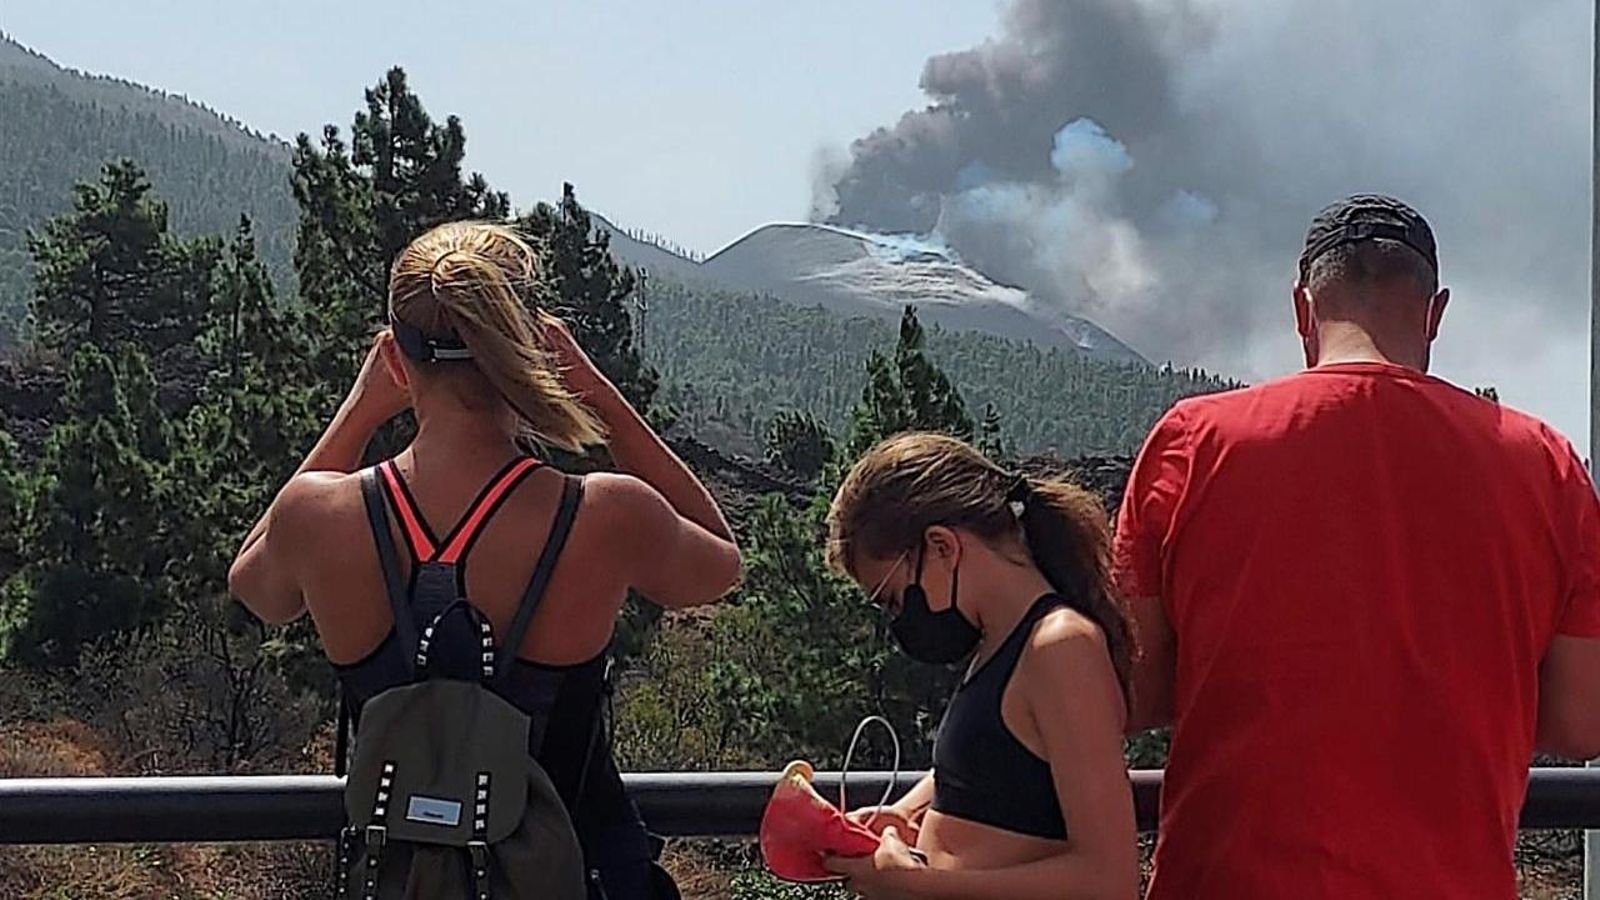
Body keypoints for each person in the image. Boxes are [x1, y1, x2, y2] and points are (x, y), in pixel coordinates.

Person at [228, 221, 742, 898]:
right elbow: (721, 563)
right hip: (574, 873)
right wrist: (597, 394)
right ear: (527, 346)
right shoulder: (603, 515)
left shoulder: (316, 515)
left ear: (395, 355)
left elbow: (254, 586)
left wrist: (359, 410)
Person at [1114, 194, 1600, 899]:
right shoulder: (1544, 463)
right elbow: (1581, 721)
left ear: (1302, 309)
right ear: (1435, 314)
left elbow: (1137, 688)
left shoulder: (1196, 441)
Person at [821, 432, 1139, 900]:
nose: (898, 620)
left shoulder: (1061, 648)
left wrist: (917, 884)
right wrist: (904, 816)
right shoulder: (1000, 646)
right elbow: (995, 773)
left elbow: (1108, 881)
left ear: (943, 547)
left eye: (892, 598)